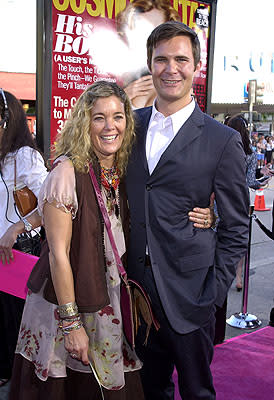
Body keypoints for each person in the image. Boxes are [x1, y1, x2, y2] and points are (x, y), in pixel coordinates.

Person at [125, 21, 249, 400]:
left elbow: (237, 226)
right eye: (161, 59)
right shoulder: (129, 125)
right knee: (148, 390)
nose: (171, 68)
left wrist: (212, 293)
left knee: (198, 392)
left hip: (191, 295)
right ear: (150, 64)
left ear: (196, 65)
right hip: (135, 293)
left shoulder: (222, 140)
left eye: (181, 59)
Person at [9, 81, 146, 400]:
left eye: (118, 116)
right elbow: (58, 254)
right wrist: (72, 325)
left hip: (107, 297)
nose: (110, 126)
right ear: (84, 123)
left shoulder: (121, 168)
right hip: (67, 304)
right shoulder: (67, 172)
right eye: (99, 117)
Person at [0, 89, 48, 387]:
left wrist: (16, 228)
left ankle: (17, 378)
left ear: (7, 118)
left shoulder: (24, 158)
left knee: (14, 322)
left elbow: (52, 204)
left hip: (16, 252)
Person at [227, 115, 271, 290]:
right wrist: (264, 178)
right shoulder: (250, 152)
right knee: (239, 241)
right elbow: (250, 181)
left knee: (218, 238)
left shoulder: (222, 147)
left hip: (219, 199)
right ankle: (238, 278)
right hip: (240, 200)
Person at [116, 0, 180, 109]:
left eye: (156, 30)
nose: (148, 38)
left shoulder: (178, 85)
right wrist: (120, 99)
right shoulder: (121, 75)